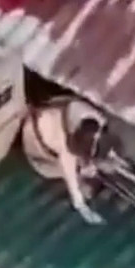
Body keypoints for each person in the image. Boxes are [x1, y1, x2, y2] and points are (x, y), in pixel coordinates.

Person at [20, 95, 117, 225]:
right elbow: (72, 181)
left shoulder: (92, 117)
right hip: (34, 141)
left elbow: (97, 140)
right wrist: (82, 206)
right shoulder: (67, 152)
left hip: (48, 112)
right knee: (63, 171)